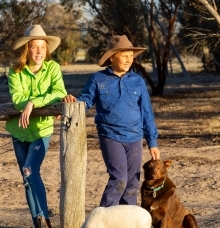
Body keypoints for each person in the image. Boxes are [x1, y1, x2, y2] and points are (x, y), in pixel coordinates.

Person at [64, 35, 160, 210]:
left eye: (131, 57)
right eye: (125, 56)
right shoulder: (98, 79)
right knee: (119, 179)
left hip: (135, 138)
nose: (129, 60)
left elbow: (147, 112)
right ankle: (100, 224)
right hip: (110, 136)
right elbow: (85, 101)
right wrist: (74, 103)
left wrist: (152, 142)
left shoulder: (137, 81)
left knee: (132, 184)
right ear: (111, 57)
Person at [6, 24, 68, 228]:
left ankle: (46, 221)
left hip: (41, 130)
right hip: (19, 131)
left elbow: (59, 92)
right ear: (26, 49)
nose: (39, 51)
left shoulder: (52, 68)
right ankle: (38, 227)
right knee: (26, 177)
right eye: (34, 47)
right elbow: (17, 98)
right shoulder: (15, 71)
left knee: (30, 170)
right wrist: (27, 103)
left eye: (42, 47)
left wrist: (34, 102)